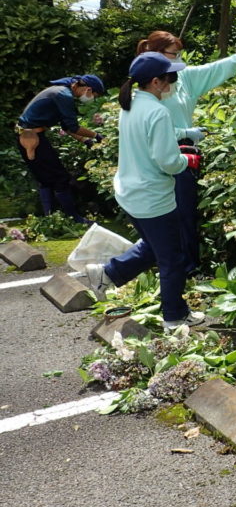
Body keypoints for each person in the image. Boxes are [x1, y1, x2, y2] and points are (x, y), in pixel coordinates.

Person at [84, 52, 205, 331]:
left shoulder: (132, 104)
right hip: (153, 199)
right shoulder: (158, 111)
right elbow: (168, 162)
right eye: (170, 78)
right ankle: (175, 317)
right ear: (156, 82)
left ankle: (107, 274)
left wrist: (185, 132)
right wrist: (188, 159)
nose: (173, 83)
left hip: (129, 192)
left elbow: (147, 135)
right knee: (172, 258)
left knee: (153, 246)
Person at [136, 31, 236, 275]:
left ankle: (185, 265)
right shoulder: (148, 86)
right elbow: (148, 127)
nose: (178, 59)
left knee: (185, 210)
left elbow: (212, 69)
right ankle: (174, 266)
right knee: (168, 213)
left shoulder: (182, 78)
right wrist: (181, 131)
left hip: (185, 150)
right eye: (174, 54)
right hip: (163, 152)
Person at [15, 74, 107, 223]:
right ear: (88, 89)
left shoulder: (60, 91)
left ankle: (50, 219)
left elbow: (66, 126)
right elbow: (73, 127)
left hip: (30, 136)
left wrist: (86, 140)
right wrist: (97, 135)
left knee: (45, 179)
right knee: (60, 178)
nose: (92, 99)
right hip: (31, 138)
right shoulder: (63, 95)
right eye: (94, 95)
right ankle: (74, 218)